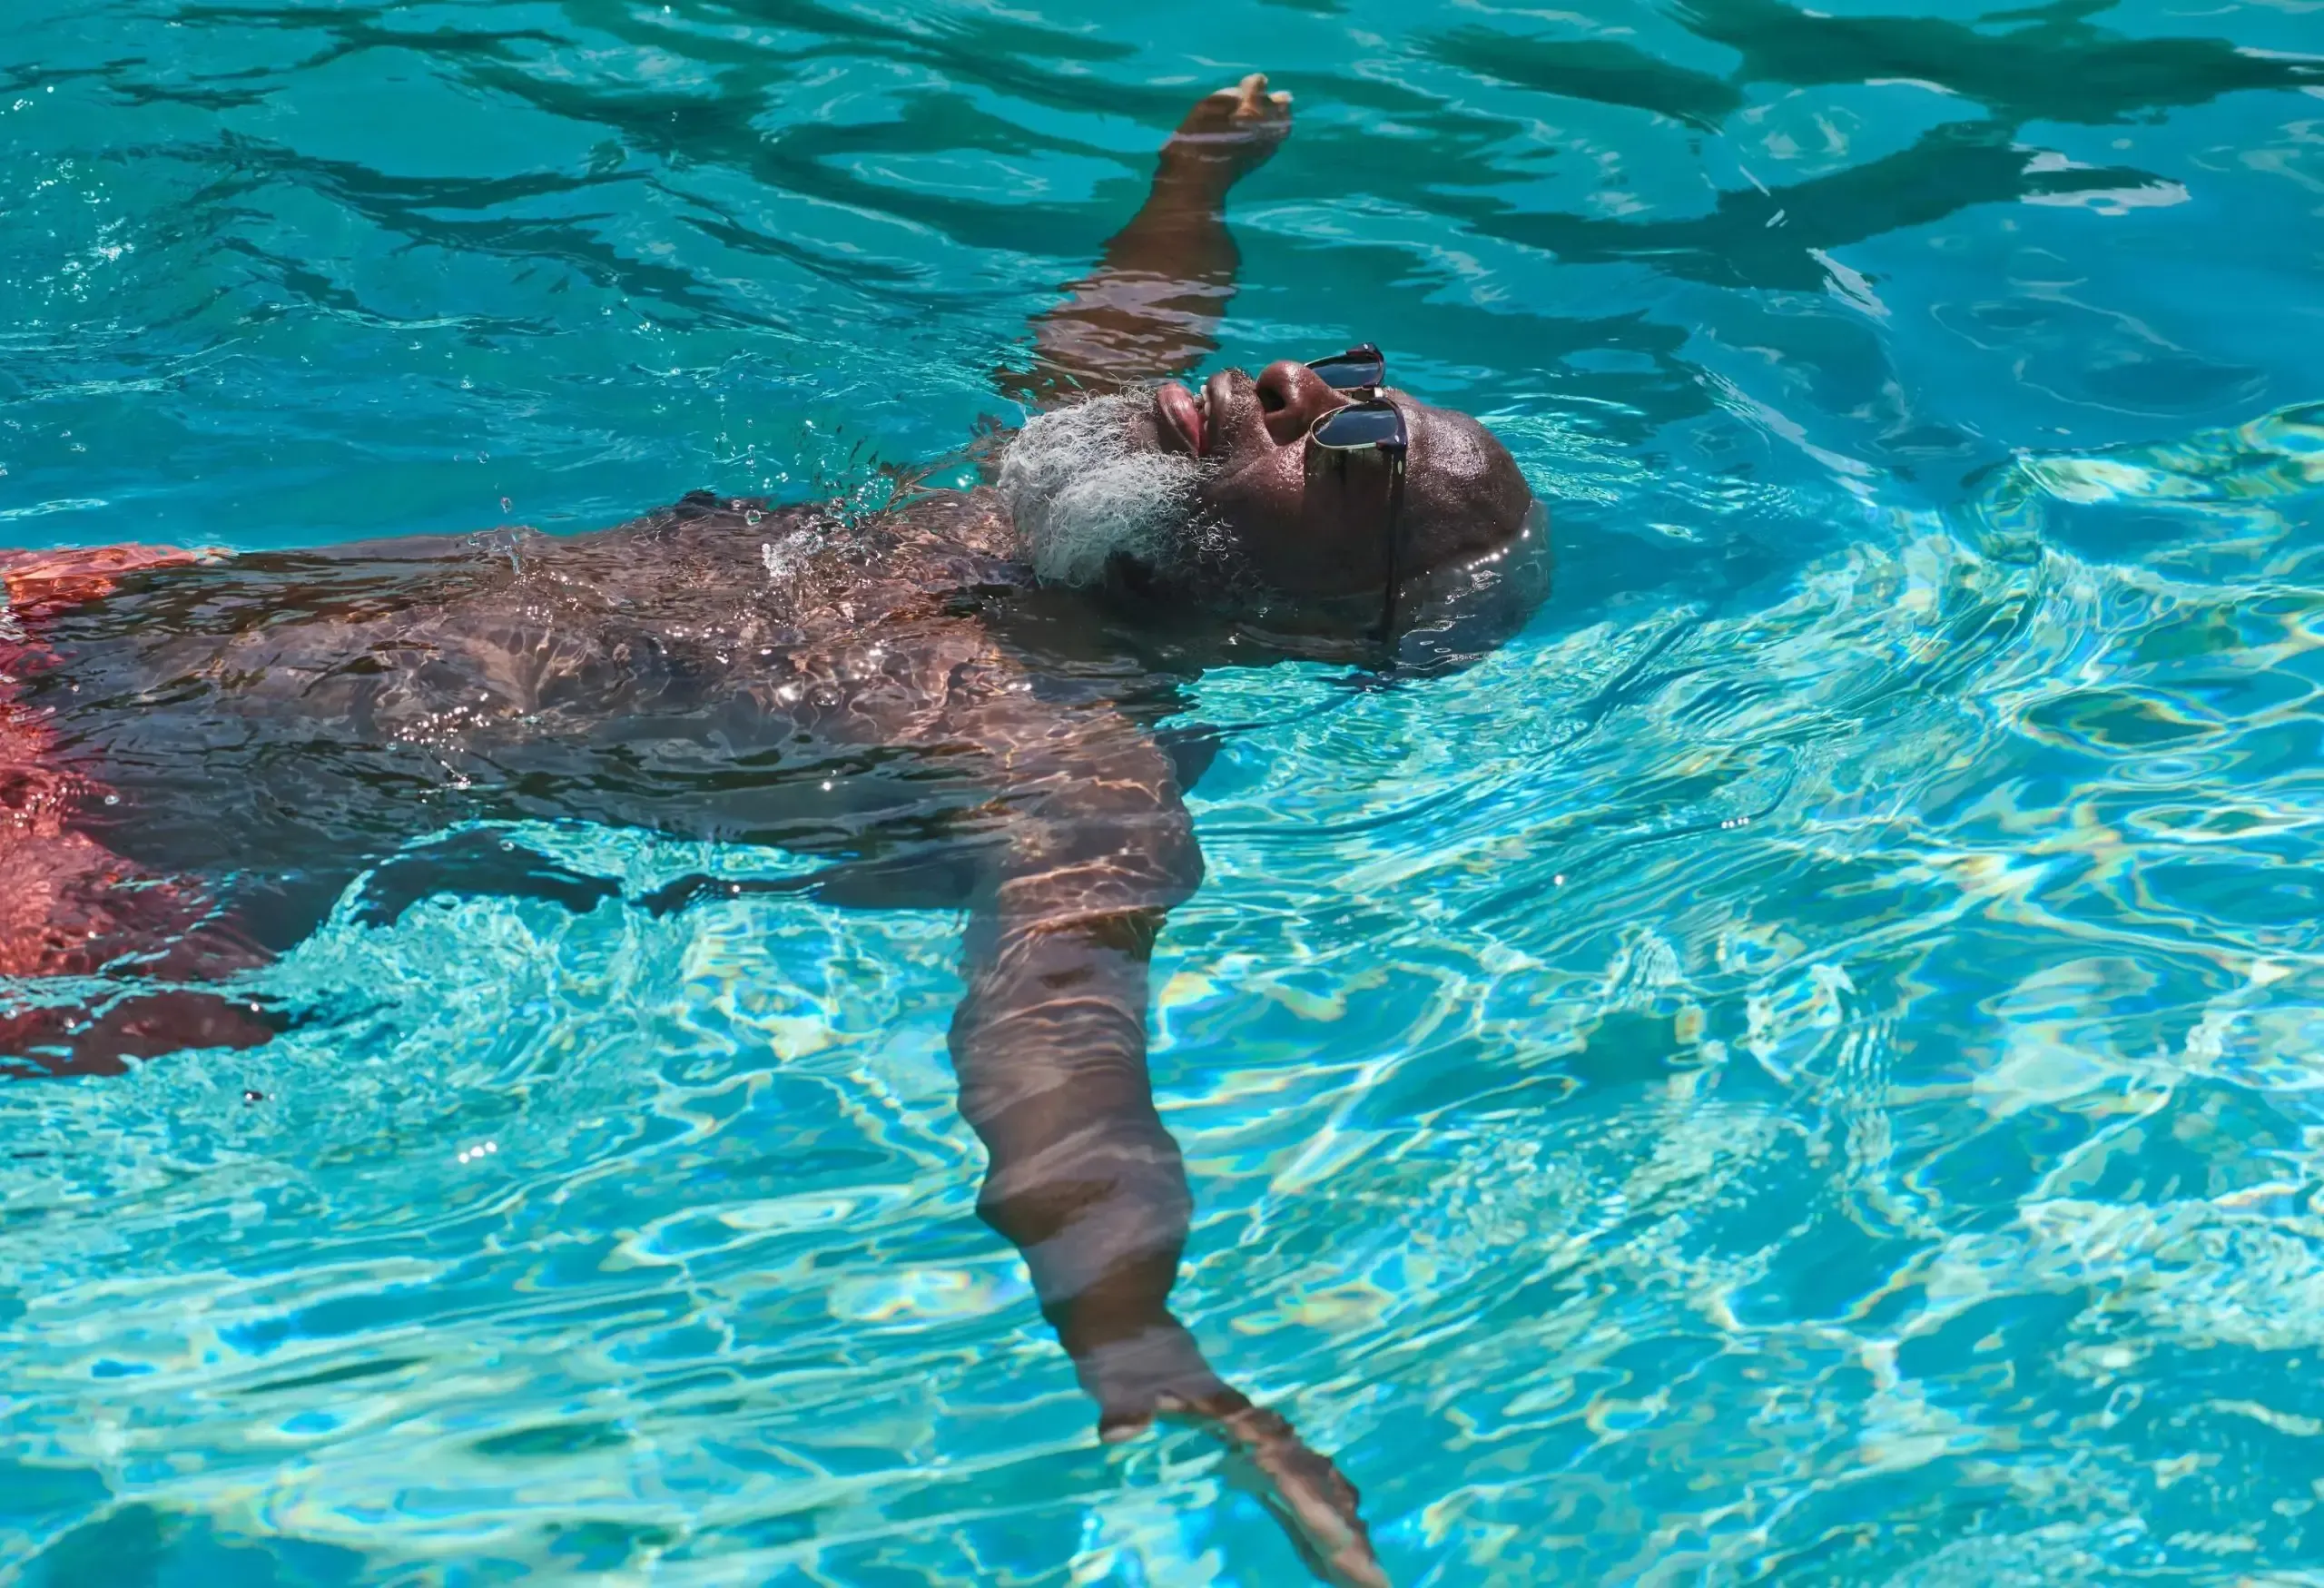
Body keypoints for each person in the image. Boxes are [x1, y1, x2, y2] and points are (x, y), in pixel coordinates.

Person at [0, 75, 1543, 1588]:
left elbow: (1065, 1049)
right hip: (99, 608)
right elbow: (1122, 340)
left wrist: (1135, 1334)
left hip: (96, 841)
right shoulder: (1001, 525)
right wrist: (1197, 187)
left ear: (1322, 624)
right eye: (1349, 376)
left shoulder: (1069, 764)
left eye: (1357, 453)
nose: (1304, 391)